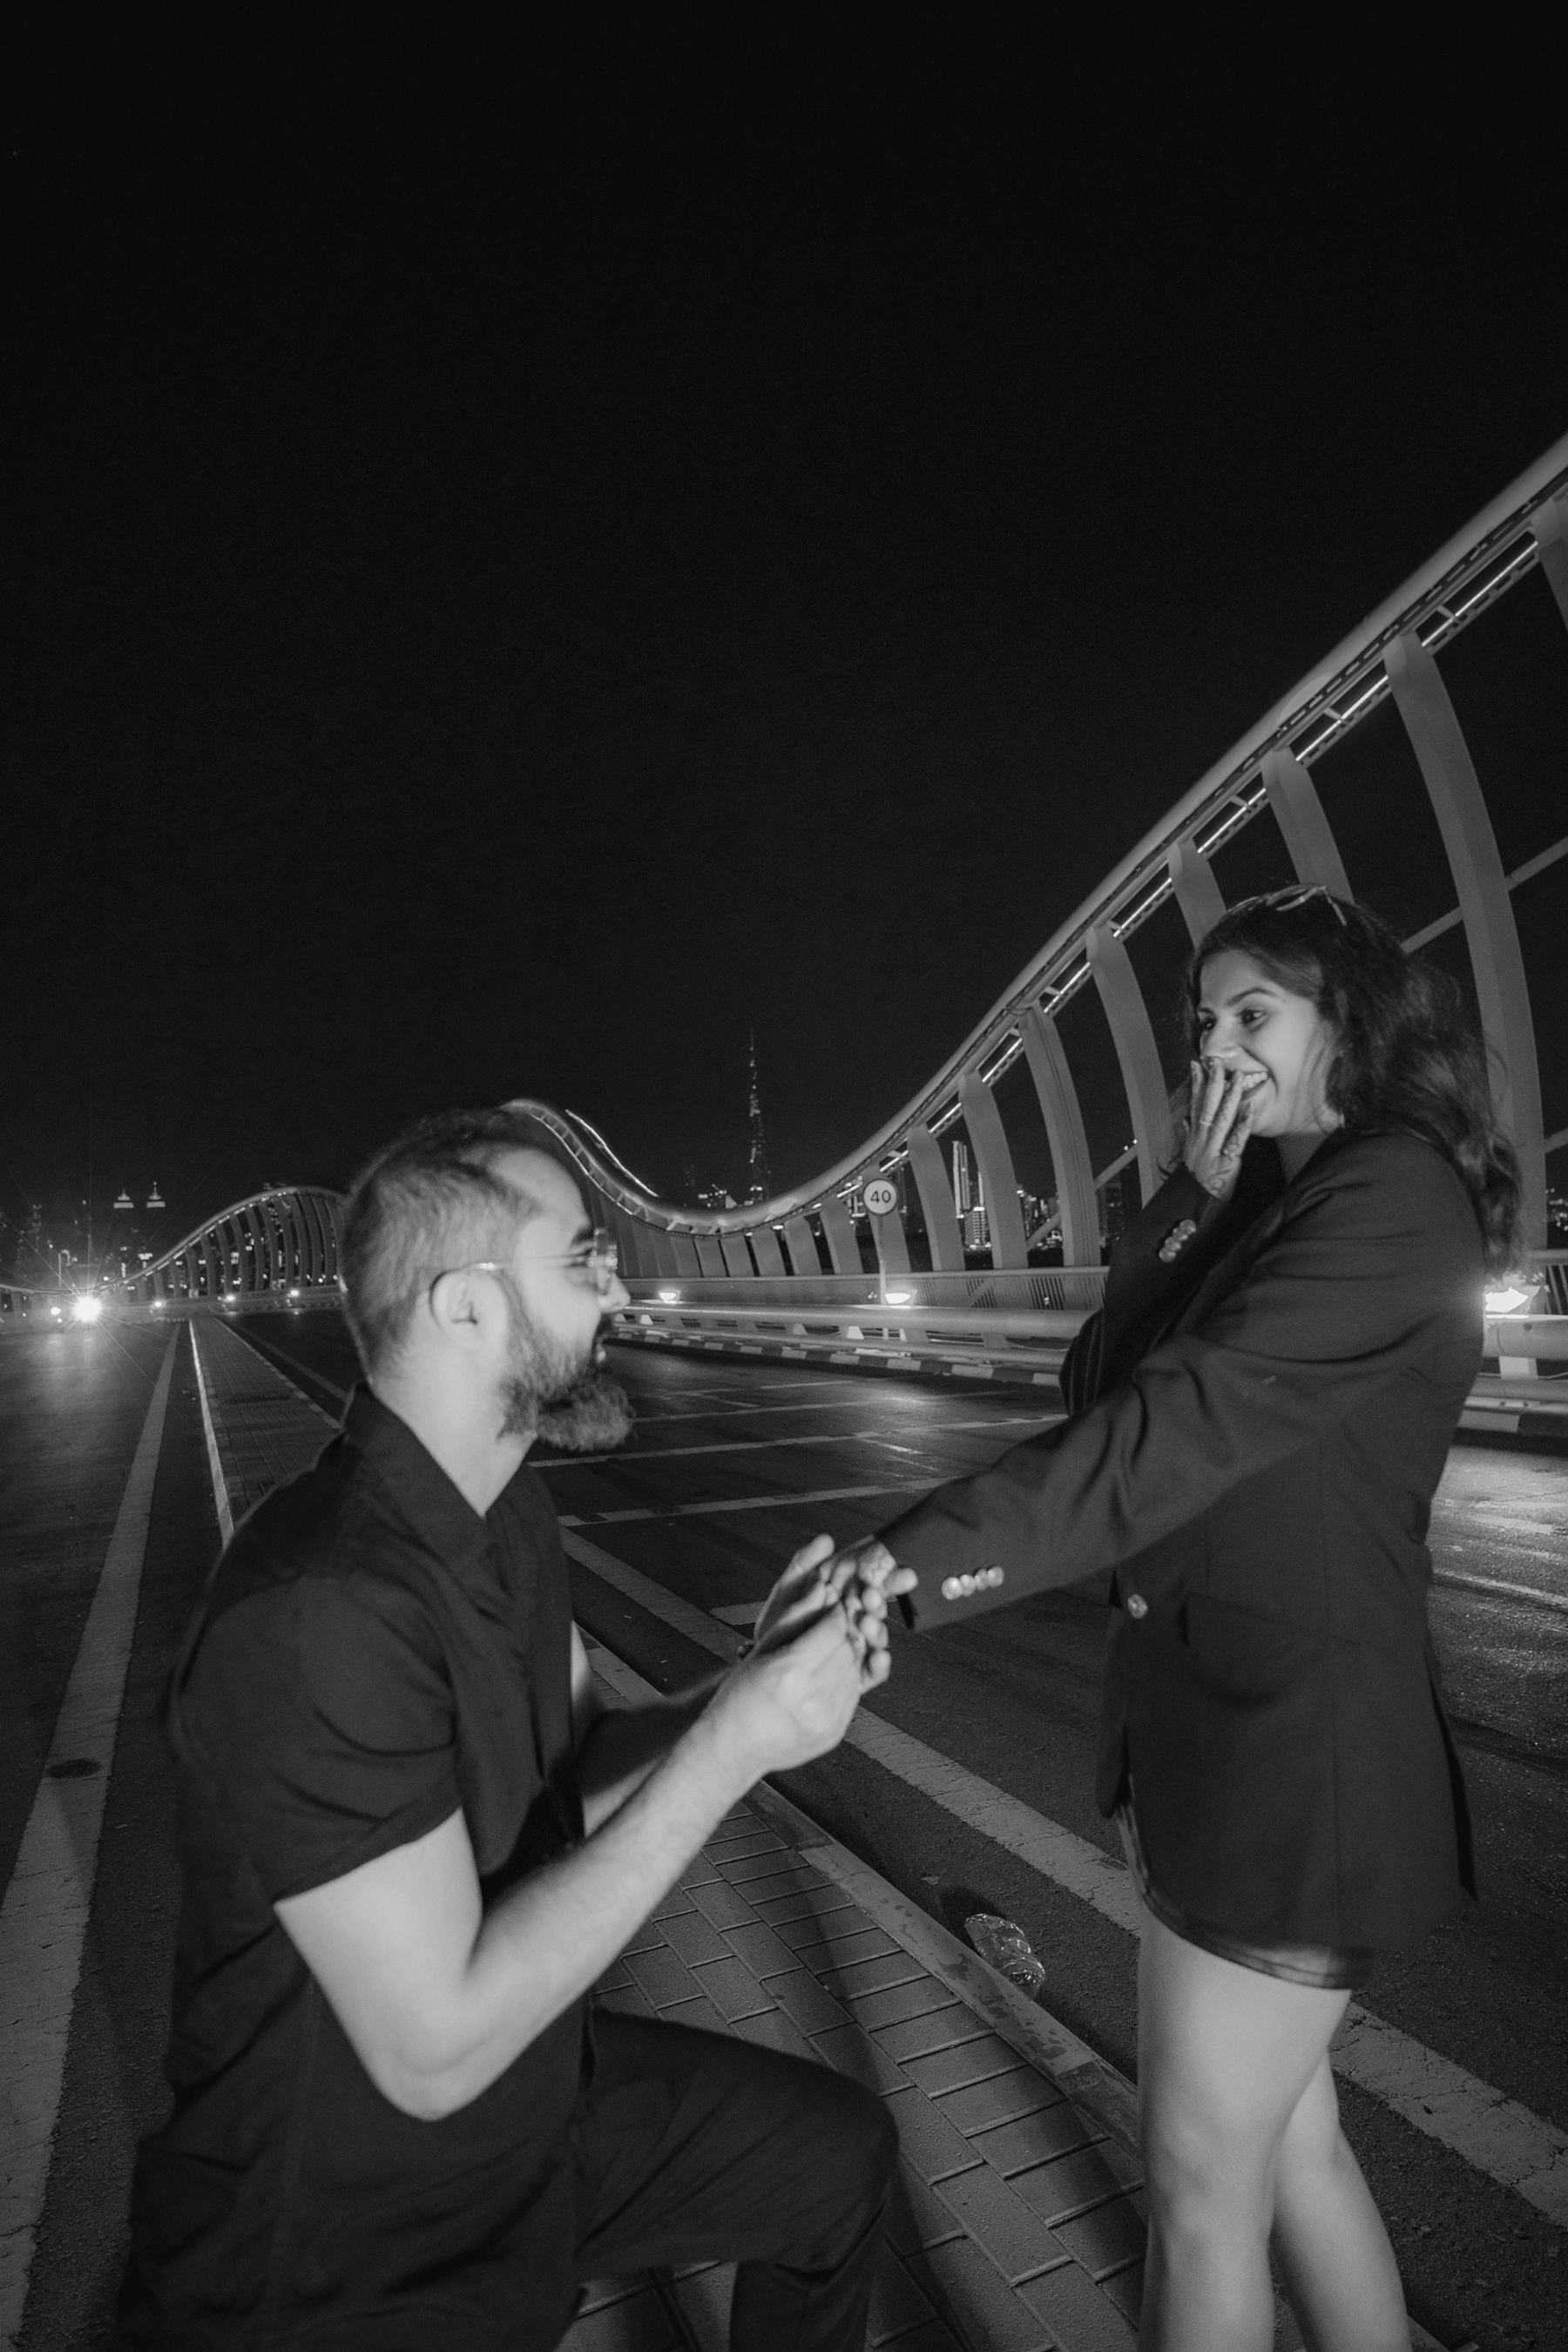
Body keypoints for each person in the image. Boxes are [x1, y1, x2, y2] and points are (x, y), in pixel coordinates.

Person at [847, 889, 1523, 2352]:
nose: (1214, 1049)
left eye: (1252, 1015)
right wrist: (1183, 1202)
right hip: (1216, 1749)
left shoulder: (1391, 1194)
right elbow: (1102, 1388)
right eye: (1204, 1021)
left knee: (1201, 2190)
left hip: (1292, 1764)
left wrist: (903, 1574)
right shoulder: (1275, 1197)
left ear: (1350, 1020)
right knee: (1290, 2153)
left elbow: (1164, 1437)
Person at [120, 1107, 897, 2352]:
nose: (621, 1291)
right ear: (468, 1306)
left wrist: (752, 1686)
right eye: (585, 1260)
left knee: (831, 2163)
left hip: (528, 2111)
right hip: (341, 2249)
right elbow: (431, 2053)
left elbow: (579, 1769)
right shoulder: (318, 1608)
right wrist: (733, 1748)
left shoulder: (504, 1512)